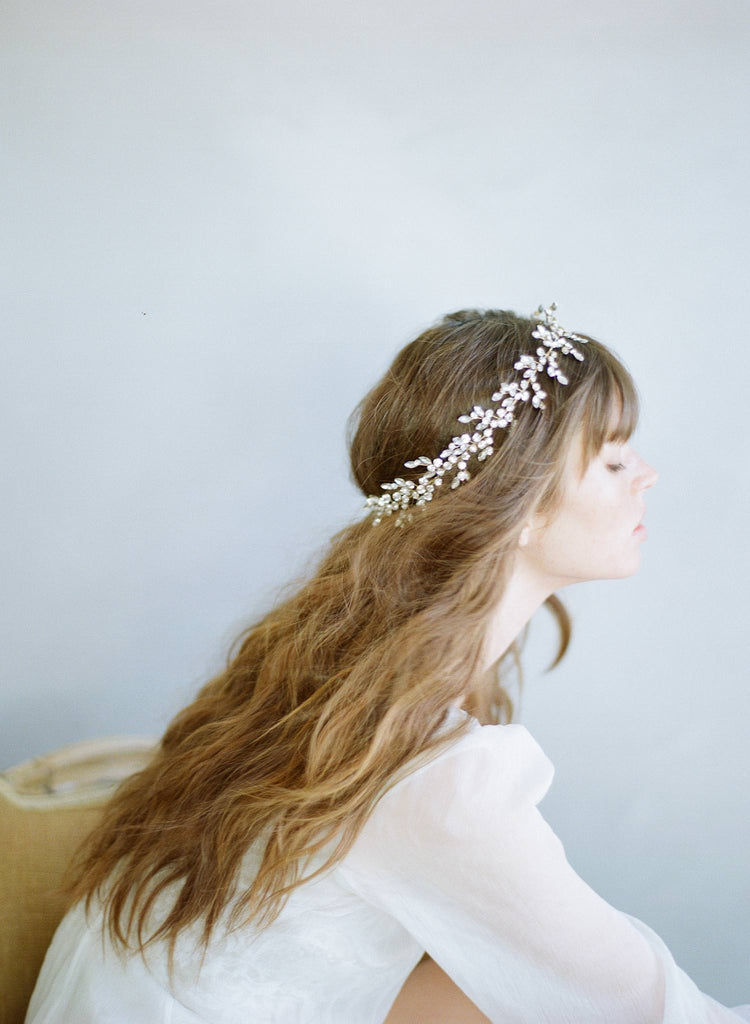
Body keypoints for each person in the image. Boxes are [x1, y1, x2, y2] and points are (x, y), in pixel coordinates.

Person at [25, 305, 749, 1023]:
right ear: (519, 507)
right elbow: (640, 1007)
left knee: (498, 980)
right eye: (616, 459)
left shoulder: (343, 673)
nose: (648, 474)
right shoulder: (438, 776)